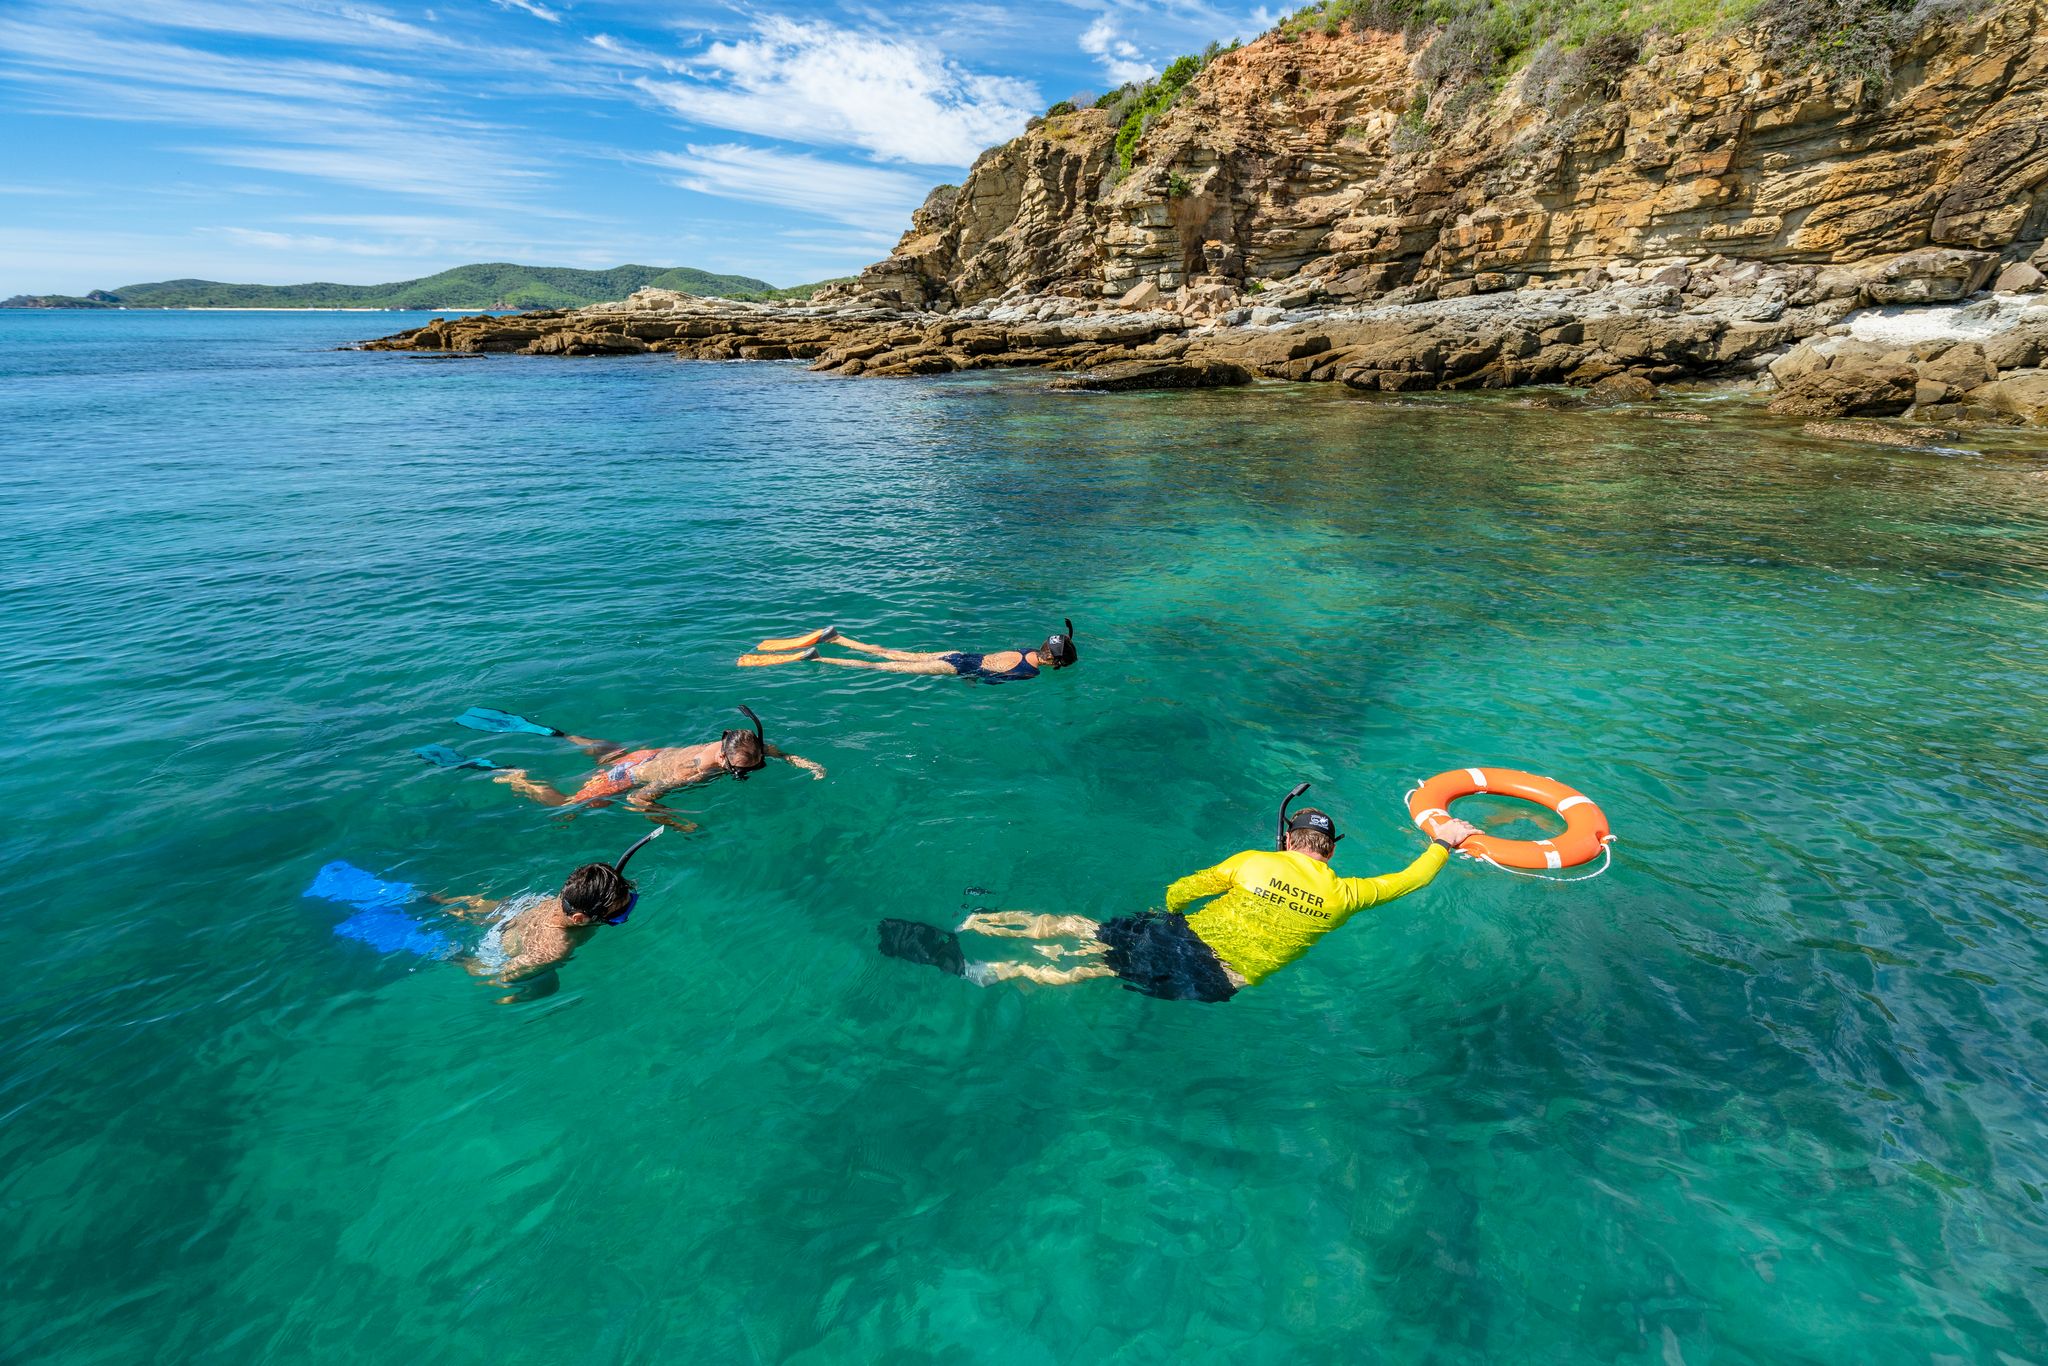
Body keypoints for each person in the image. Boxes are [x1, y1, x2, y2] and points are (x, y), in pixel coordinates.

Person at [877, 784, 1482, 1001]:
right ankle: (988, 972)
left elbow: (1180, 888)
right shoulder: (1349, 895)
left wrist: (1162, 915)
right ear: (1330, 850)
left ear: (1289, 840)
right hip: (1223, 977)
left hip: (1186, 932)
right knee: (1095, 971)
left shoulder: (1251, 862)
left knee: (1088, 932)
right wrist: (1444, 841)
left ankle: (981, 922)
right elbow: (1411, 880)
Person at [419, 705, 824, 830]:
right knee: (566, 806)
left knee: (601, 747)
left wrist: (807, 764)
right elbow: (638, 799)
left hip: (642, 755)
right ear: (723, 758)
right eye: (742, 771)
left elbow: (774, 750)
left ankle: (557, 735)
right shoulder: (693, 773)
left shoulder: (742, 741)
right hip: (630, 774)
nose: (748, 771)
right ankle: (512, 774)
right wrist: (680, 823)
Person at [443, 830, 661, 1004]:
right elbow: (505, 974)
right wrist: (498, 981)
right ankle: (459, 959)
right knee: (547, 987)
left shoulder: (571, 895)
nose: (625, 916)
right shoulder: (555, 949)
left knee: (486, 908)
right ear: (578, 919)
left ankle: (443, 901)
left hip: (523, 909)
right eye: (618, 915)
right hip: (501, 947)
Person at [737, 621, 1077, 682]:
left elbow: (993, 661)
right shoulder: (1029, 673)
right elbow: (992, 679)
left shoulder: (1025, 651)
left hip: (959, 654)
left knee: (887, 652)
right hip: (957, 669)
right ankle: (820, 656)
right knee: (878, 669)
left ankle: (837, 637)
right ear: (1054, 662)